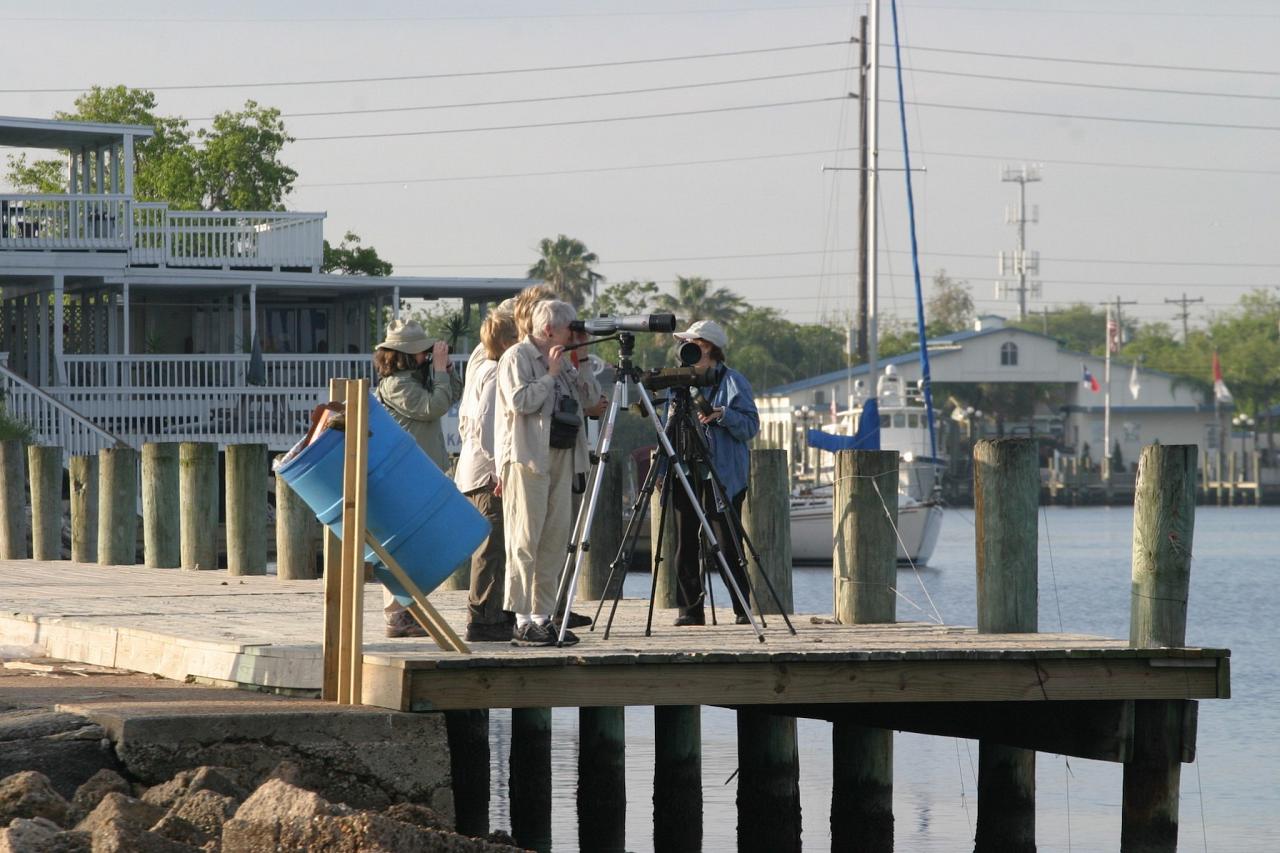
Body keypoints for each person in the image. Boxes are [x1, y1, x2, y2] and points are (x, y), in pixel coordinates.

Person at [496, 299, 595, 646]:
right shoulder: (517, 358)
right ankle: (522, 619)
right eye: (570, 329)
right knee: (525, 540)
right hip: (528, 459)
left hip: (563, 456)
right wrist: (550, 375)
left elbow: (591, 401)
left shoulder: (563, 360)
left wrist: (580, 360)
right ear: (549, 329)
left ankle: (544, 616)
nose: (574, 334)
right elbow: (520, 402)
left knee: (554, 540)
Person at [373, 318, 463, 637]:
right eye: (423, 352)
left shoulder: (414, 380)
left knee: (417, 548)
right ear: (406, 355)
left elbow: (450, 395)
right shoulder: (397, 385)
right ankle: (396, 616)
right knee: (402, 549)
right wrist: (437, 370)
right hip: (406, 478)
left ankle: (406, 612)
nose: (427, 355)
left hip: (421, 474)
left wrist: (446, 371)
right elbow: (433, 407)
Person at [668, 319, 760, 626]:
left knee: (726, 542)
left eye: (690, 342)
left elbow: (750, 426)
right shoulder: (680, 382)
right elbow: (667, 423)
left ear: (706, 346)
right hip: (685, 467)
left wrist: (723, 415)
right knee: (685, 543)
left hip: (721, 475)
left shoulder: (734, 382)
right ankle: (690, 611)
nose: (683, 347)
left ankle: (741, 608)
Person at [455, 311, 518, 642]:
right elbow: (487, 424)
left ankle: (489, 613)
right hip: (486, 474)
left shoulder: (480, 367)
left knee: (489, 546)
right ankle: (483, 617)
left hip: (473, 470)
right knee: (491, 548)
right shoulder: (494, 372)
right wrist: (498, 468)